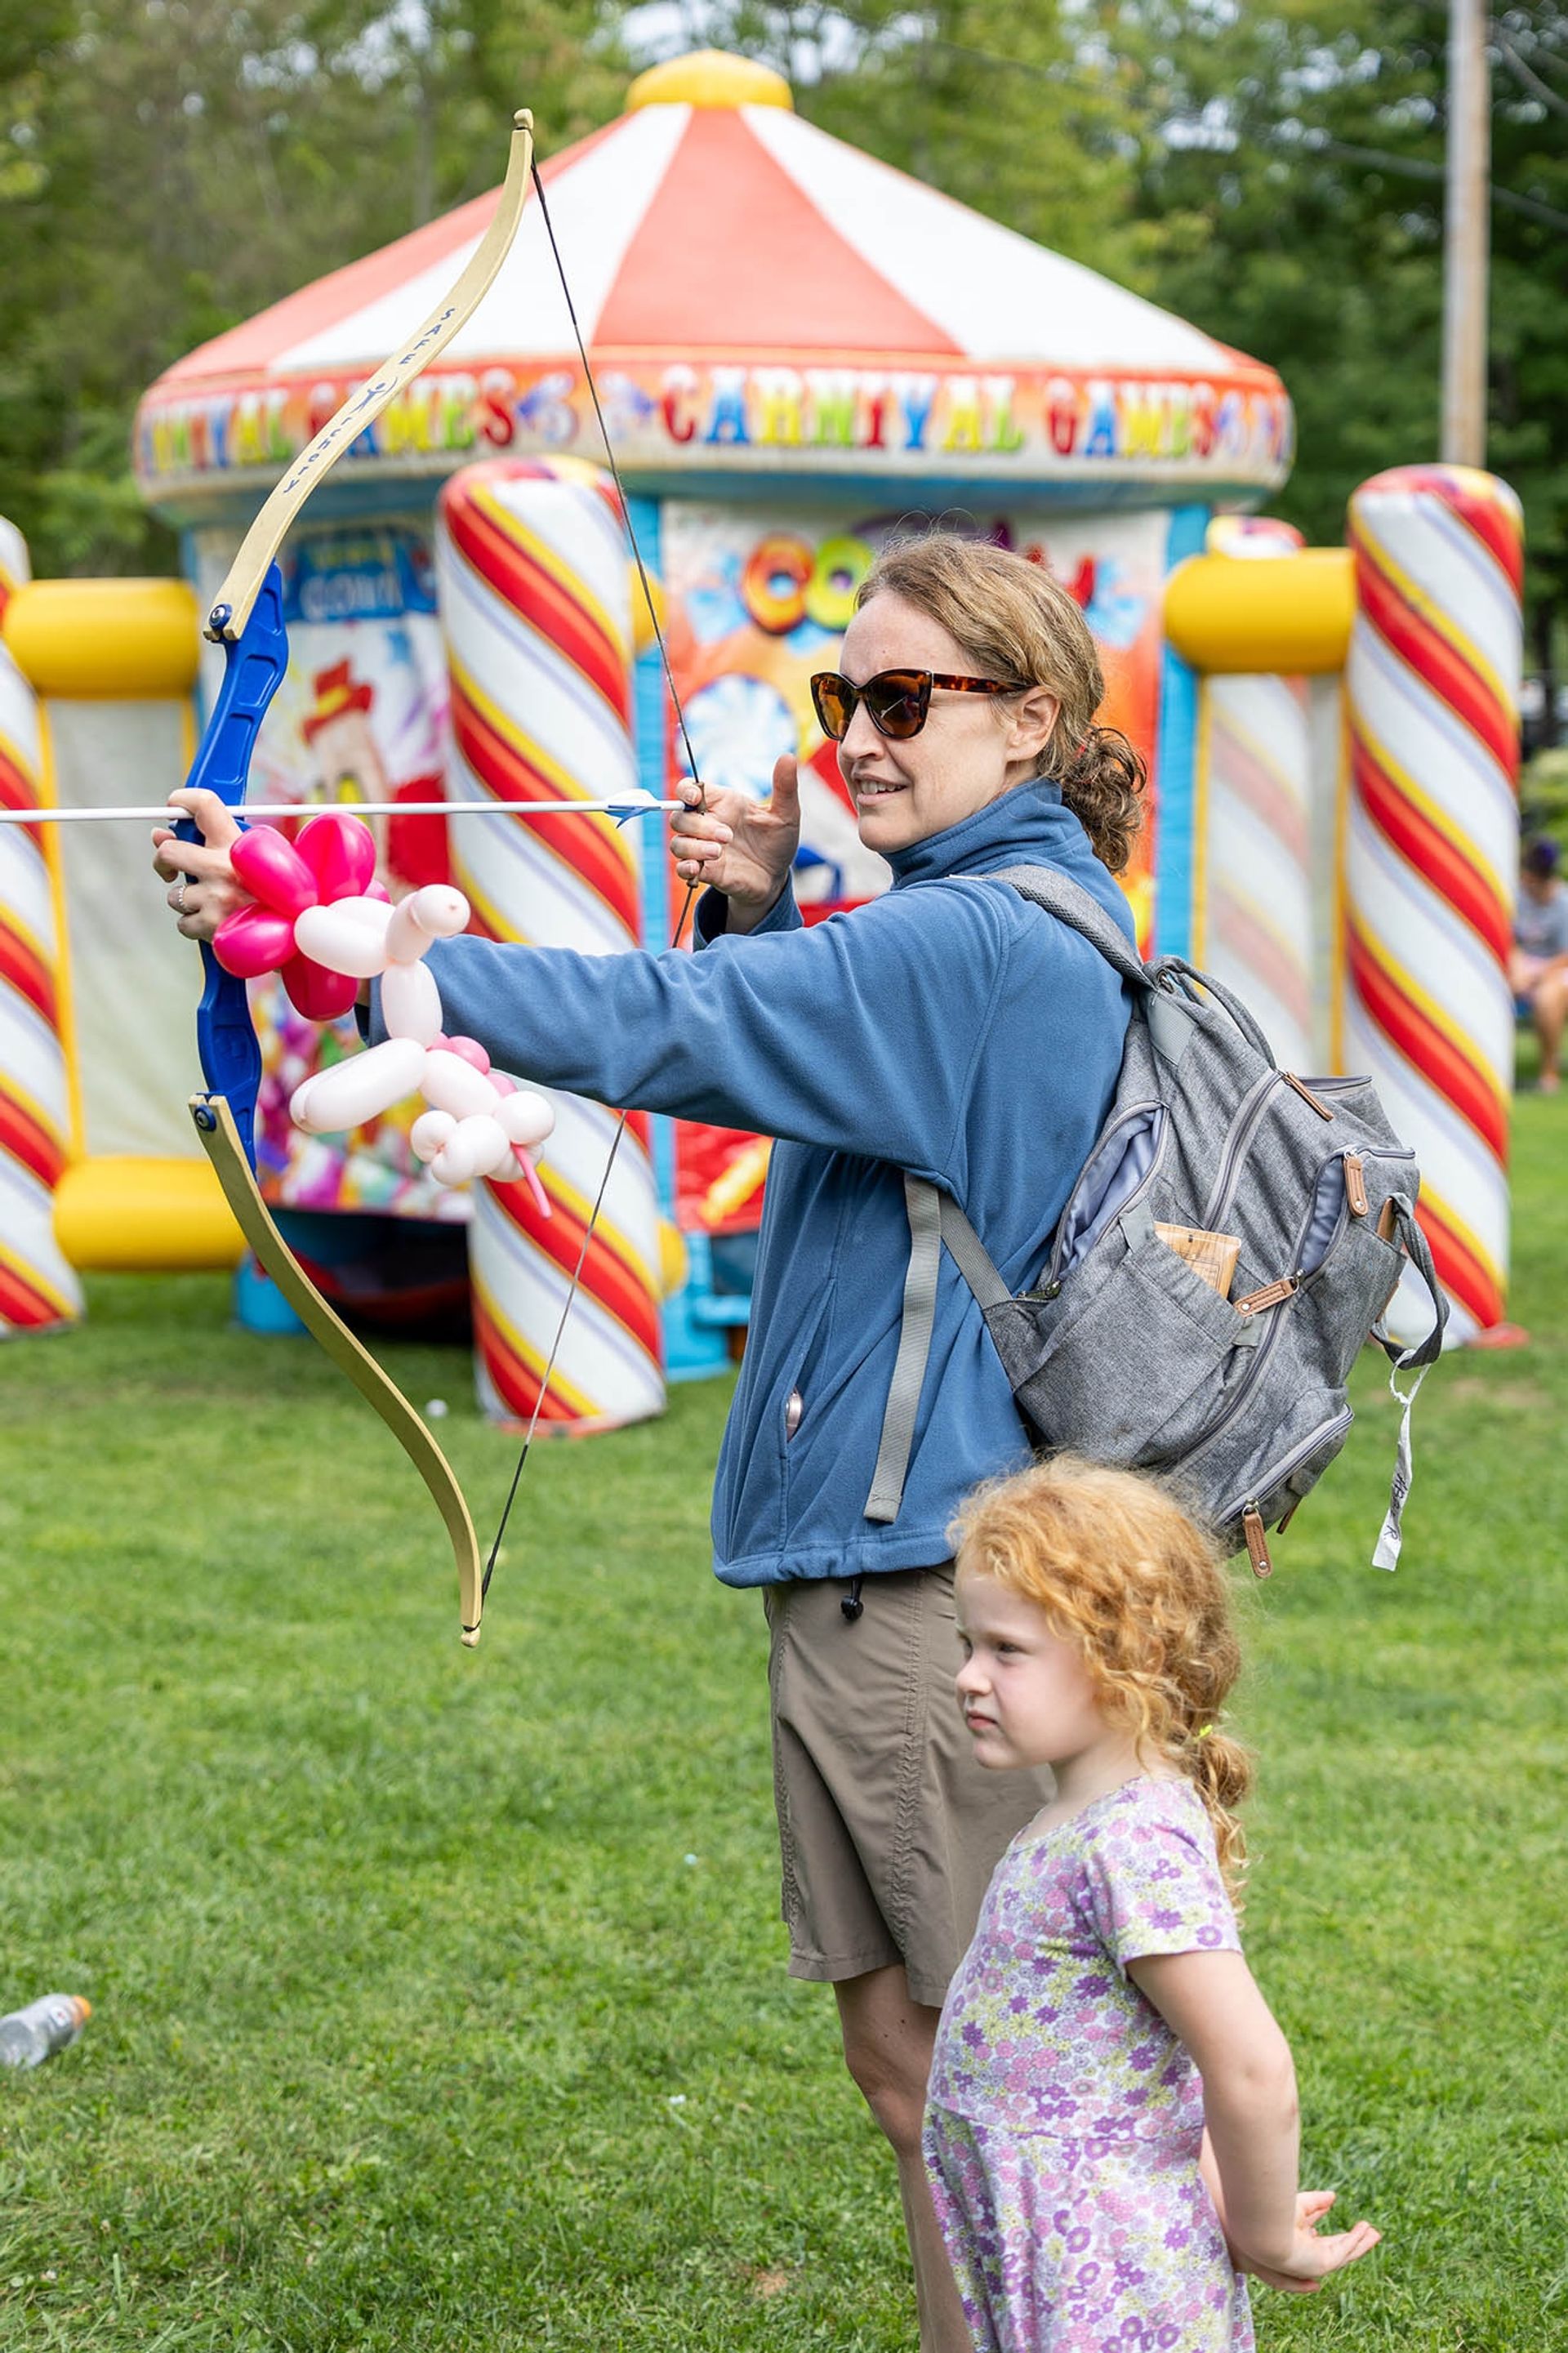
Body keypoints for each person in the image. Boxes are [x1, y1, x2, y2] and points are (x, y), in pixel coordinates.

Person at [154, 533, 1146, 2353]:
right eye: (847, 695)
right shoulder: (964, 931)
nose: (856, 736)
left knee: (1004, 2079)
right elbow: (829, 1063)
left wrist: (327, 934)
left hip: (940, 1583)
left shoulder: (985, 935)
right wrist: (766, 916)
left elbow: (676, 1023)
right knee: (914, 2057)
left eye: (906, 701)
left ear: (1031, 721)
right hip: (890, 1568)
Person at [926, 1455, 1381, 2351]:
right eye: (968, 1645)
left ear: (1122, 1658)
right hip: (1059, 2236)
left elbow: (1248, 2065)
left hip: (1111, 2269)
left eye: (1006, 1651)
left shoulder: (1130, 1840)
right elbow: (1161, 2071)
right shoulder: (1075, 1814)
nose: (968, 1677)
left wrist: (1262, 2232)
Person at [1511, 836, 1568, 1093]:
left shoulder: (1563, 902)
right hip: (1520, 966)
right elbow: (1508, 940)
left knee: (1548, 996)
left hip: (1557, 968)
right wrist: (1518, 966)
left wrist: (1535, 977)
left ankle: (1549, 1071)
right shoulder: (1517, 897)